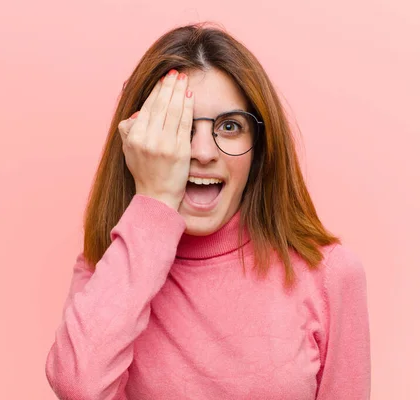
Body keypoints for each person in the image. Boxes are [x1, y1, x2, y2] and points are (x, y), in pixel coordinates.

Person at [45, 22, 370, 400]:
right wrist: (153, 200)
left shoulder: (330, 275)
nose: (203, 152)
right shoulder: (108, 267)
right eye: (178, 127)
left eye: (230, 126)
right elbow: (78, 388)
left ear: (259, 147)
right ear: (140, 145)